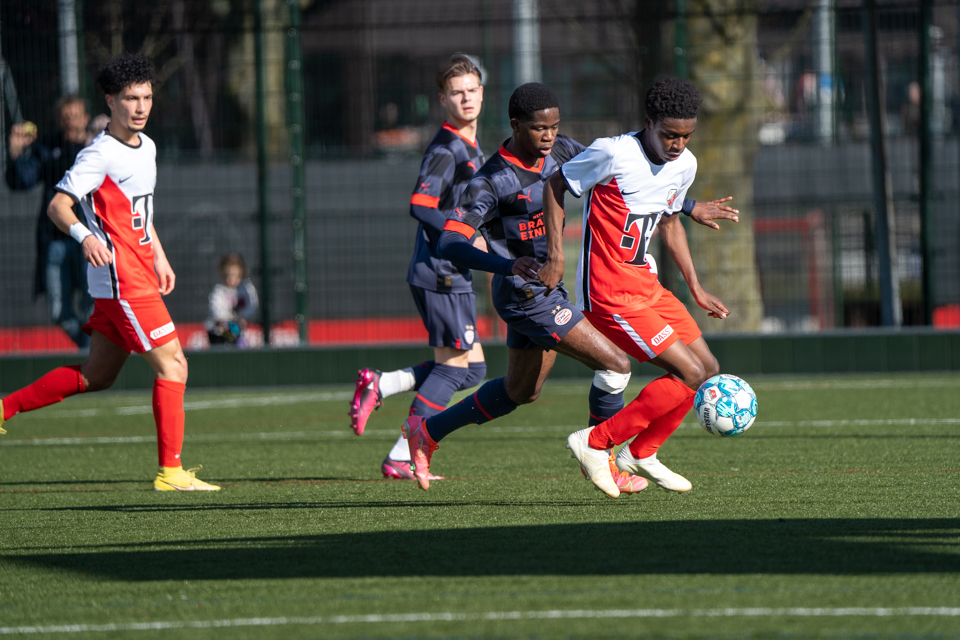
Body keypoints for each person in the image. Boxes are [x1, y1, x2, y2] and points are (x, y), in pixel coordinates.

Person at [400, 82, 651, 496]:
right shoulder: (491, 180)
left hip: (544, 290)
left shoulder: (562, 150)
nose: (549, 136)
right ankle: (602, 457)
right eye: (539, 129)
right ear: (516, 125)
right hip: (525, 295)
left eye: (554, 127)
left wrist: (688, 206)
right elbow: (448, 241)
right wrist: (506, 263)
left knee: (521, 392)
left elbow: (617, 169)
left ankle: (427, 432)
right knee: (616, 365)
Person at [0, 53, 218, 492]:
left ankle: (2, 409)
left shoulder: (149, 147)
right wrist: (85, 236)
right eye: (130, 98)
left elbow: (141, 213)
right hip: (123, 283)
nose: (140, 107)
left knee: (96, 376)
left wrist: (160, 255)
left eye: (147, 97)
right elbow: (58, 205)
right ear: (110, 100)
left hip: (139, 274)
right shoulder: (98, 154)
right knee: (174, 365)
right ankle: (170, 473)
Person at [540, 76, 737, 496]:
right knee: (688, 372)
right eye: (669, 134)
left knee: (708, 370)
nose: (677, 144)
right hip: (608, 293)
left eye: (686, 135)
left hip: (648, 286)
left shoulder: (686, 165)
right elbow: (555, 184)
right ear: (648, 122)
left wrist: (696, 288)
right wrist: (556, 254)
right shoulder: (613, 152)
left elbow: (669, 223)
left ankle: (641, 453)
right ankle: (595, 443)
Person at [349, 55, 490, 481]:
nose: (465, 98)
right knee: (453, 368)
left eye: (471, 90)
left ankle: (383, 384)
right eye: (456, 92)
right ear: (443, 99)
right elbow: (420, 204)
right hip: (440, 271)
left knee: (474, 370)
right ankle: (402, 455)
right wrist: (463, 234)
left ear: (482, 93)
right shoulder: (448, 148)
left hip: (453, 271)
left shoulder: (470, 144)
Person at [5, 96, 94, 348]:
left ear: (85, 118)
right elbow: (21, 181)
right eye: (66, 117)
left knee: (93, 305)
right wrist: (15, 151)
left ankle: (97, 360)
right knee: (58, 311)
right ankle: (91, 352)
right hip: (55, 240)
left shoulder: (96, 149)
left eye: (75, 116)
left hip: (87, 239)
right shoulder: (47, 147)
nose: (70, 122)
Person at [207, 253, 259, 347]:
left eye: (234, 275)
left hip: (243, 328)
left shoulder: (247, 288)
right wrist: (226, 320)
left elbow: (252, 306)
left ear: (241, 273)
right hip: (222, 331)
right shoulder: (219, 290)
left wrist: (243, 318)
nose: (231, 279)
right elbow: (216, 309)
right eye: (227, 275)